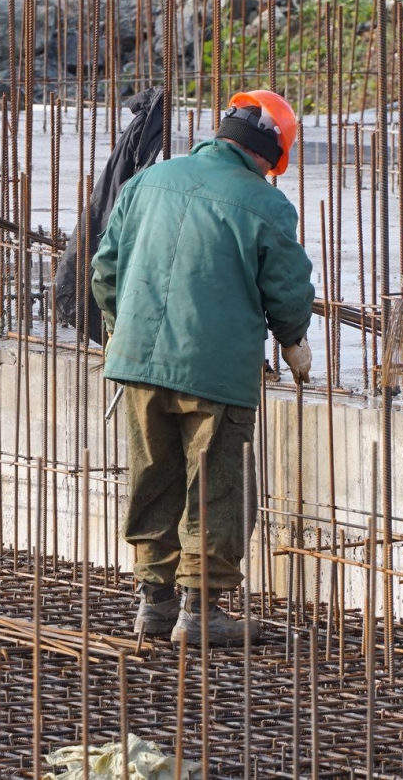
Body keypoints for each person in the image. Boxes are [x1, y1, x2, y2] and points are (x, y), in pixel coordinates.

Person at [90, 90, 315, 646]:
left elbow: (105, 267)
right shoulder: (265, 204)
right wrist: (292, 339)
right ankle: (202, 610)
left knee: (153, 477)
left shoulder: (148, 181)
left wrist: (121, 326)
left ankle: (155, 605)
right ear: (270, 153)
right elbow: (286, 288)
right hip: (214, 373)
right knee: (217, 483)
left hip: (138, 362)